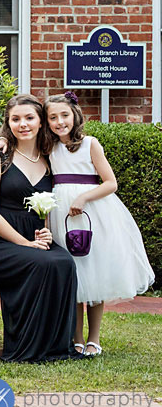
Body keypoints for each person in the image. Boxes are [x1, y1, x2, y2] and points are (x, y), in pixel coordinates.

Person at [43, 93, 153, 355]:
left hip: (92, 212)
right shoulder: (48, 148)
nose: (60, 122)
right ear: (46, 122)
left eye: (64, 115)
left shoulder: (90, 144)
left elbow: (111, 182)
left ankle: (94, 338)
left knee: (94, 273)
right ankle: (76, 337)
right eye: (53, 117)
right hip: (62, 214)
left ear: (75, 116)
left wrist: (83, 196)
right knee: (75, 275)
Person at [0, 94, 79, 362]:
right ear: (8, 123)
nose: (22, 124)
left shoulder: (49, 158)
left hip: (35, 239)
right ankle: (27, 346)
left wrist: (45, 230)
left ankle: (56, 346)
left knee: (64, 262)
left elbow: (46, 206)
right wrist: (23, 243)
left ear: (40, 122)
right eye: (15, 119)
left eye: (29, 118)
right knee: (42, 263)